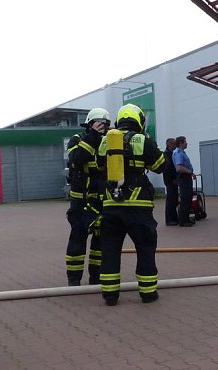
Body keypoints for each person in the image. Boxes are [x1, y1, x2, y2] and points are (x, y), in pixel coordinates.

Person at [97, 103, 165, 306]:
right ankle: (148, 293)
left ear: (119, 120)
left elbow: (99, 166)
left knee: (109, 250)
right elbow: (160, 166)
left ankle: (110, 295)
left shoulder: (105, 140)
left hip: (111, 205)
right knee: (145, 249)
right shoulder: (143, 140)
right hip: (138, 207)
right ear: (140, 121)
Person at [65, 108, 110, 286]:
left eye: (105, 124)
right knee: (77, 239)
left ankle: (96, 278)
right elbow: (76, 160)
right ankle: (74, 279)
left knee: (100, 242)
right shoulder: (77, 139)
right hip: (81, 201)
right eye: (98, 123)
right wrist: (92, 137)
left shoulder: (109, 140)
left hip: (102, 200)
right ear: (89, 124)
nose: (101, 127)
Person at [173, 136, 196, 227]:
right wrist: (190, 172)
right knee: (185, 199)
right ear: (180, 143)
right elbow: (179, 168)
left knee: (188, 198)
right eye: (185, 142)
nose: (186, 143)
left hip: (185, 177)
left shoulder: (182, 152)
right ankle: (183, 220)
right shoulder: (178, 153)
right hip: (184, 177)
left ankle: (186, 218)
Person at [162, 138, 179, 226]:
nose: (175, 145)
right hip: (170, 181)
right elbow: (167, 169)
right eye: (173, 143)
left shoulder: (171, 153)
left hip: (173, 180)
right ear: (169, 144)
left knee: (174, 200)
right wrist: (172, 179)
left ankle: (174, 218)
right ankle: (169, 220)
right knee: (171, 200)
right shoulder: (166, 154)